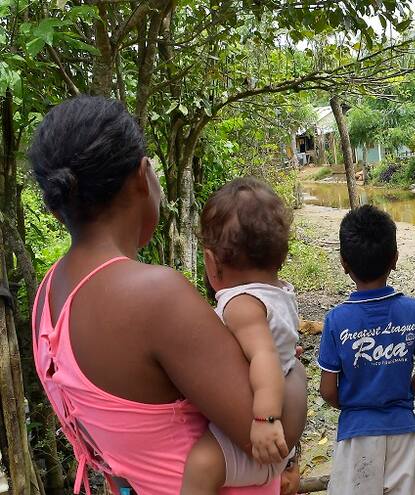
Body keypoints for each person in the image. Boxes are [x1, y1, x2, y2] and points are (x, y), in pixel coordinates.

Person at [29, 95, 307, 495]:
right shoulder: (154, 296)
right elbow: (271, 439)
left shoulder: (48, 294)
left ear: (58, 208)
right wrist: (291, 363)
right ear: (143, 176)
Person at [181, 178, 302, 494]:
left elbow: (265, 356)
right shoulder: (278, 293)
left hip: (261, 435)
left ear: (211, 262)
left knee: (200, 465)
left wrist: (265, 420)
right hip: (280, 440)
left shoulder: (241, 305)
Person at [317, 205, 415, 495]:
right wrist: (402, 394)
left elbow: (327, 390)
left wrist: (354, 404)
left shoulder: (336, 320)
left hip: (356, 436)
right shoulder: (412, 311)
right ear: (395, 259)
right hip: (403, 434)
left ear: (344, 263)